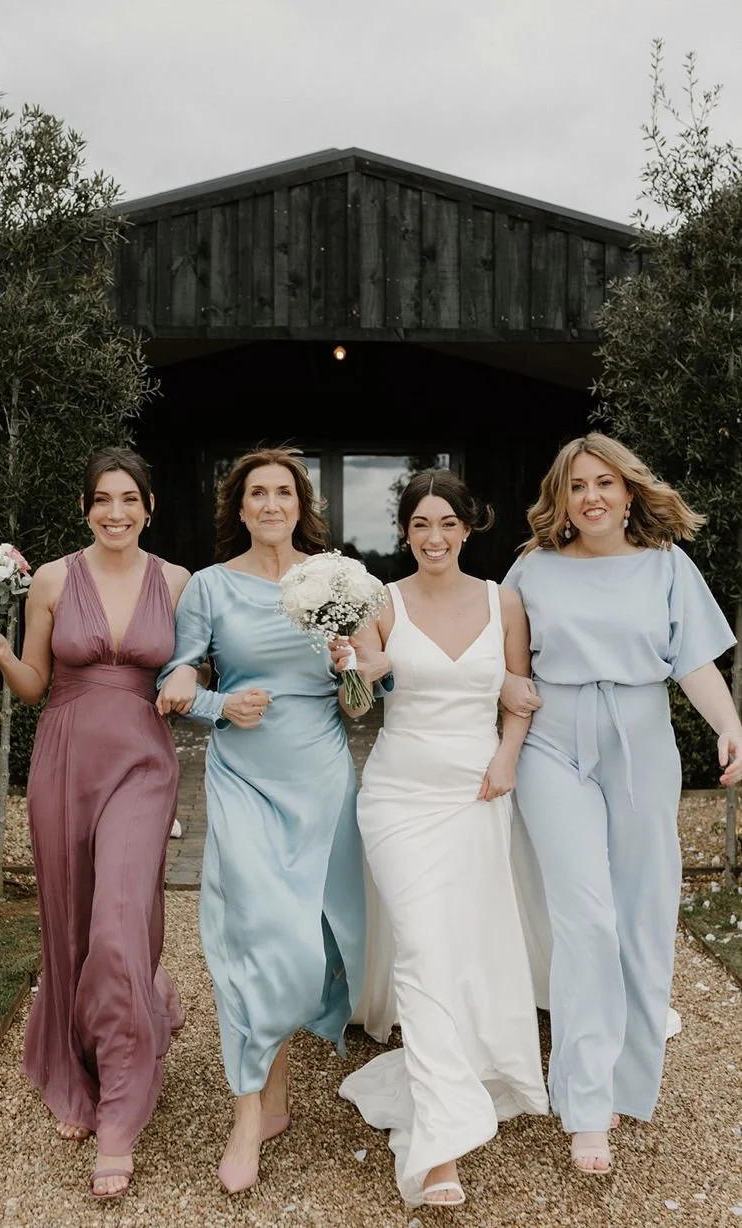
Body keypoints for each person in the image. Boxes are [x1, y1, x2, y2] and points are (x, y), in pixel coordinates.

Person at [501, 432, 741, 1176]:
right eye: (577, 486)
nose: (592, 497)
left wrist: (731, 726)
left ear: (629, 493)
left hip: (641, 737)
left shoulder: (666, 566)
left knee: (643, 907)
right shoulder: (531, 569)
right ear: (562, 499)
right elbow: (502, 664)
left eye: (605, 483)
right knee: (587, 917)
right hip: (553, 742)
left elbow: (692, 661)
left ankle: (629, 1082)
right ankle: (586, 1099)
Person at [0, 447, 191, 1200]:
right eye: (102, 500)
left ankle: (119, 1107)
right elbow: (34, 684)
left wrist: (194, 679)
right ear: (85, 507)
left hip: (144, 766)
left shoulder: (180, 583)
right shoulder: (53, 579)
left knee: (120, 920)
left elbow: (195, 667)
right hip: (64, 762)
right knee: (72, 922)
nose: (115, 512)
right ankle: (81, 1056)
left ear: (150, 507)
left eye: (129, 499)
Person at [155, 446, 374, 1195]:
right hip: (244, 777)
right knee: (252, 936)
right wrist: (218, 704)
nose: (272, 504)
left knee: (302, 945)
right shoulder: (210, 588)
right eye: (258, 494)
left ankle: (275, 1086)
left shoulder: (337, 580)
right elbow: (178, 677)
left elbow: (358, 706)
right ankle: (247, 1113)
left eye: (284, 491)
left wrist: (350, 667)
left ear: (300, 504)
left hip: (319, 777)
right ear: (240, 508)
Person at [332, 468, 549, 1208]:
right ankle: (437, 1151)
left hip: (477, 792)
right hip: (397, 798)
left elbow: (519, 694)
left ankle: (455, 1071)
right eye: (420, 525)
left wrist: (505, 757)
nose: (434, 538)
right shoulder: (379, 603)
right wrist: (361, 671)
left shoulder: (504, 602)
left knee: (461, 948)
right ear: (405, 533)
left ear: (468, 527)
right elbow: (358, 706)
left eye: (447, 524)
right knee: (424, 950)